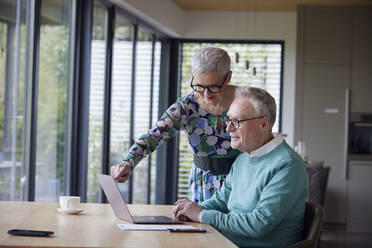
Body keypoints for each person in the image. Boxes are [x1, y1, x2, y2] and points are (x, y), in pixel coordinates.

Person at [173, 87, 307, 248]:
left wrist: (201, 215)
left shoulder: (287, 165)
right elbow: (220, 202)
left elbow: (258, 225)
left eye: (237, 121)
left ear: (263, 124)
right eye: (229, 119)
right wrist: (189, 210)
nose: (228, 128)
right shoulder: (243, 158)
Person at [111, 47, 241, 202]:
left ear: (228, 77)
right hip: (204, 186)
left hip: (242, 180)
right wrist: (128, 162)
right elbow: (154, 136)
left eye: (213, 86)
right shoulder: (186, 106)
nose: (206, 94)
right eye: (199, 86)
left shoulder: (246, 100)